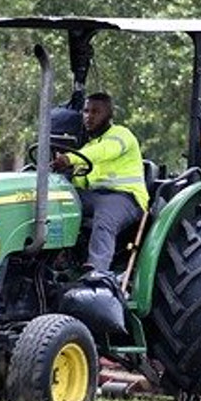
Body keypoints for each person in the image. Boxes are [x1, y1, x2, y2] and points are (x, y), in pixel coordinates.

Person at [53, 92, 148, 283]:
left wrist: (69, 158)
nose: (89, 116)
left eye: (96, 112)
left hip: (126, 198)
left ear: (109, 115)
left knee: (105, 217)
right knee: (59, 201)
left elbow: (103, 152)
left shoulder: (121, 135)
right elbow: (82, 179)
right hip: (94, 196)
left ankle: (96, 271)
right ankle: (56, 258)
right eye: (86, 111)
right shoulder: (88, 145)